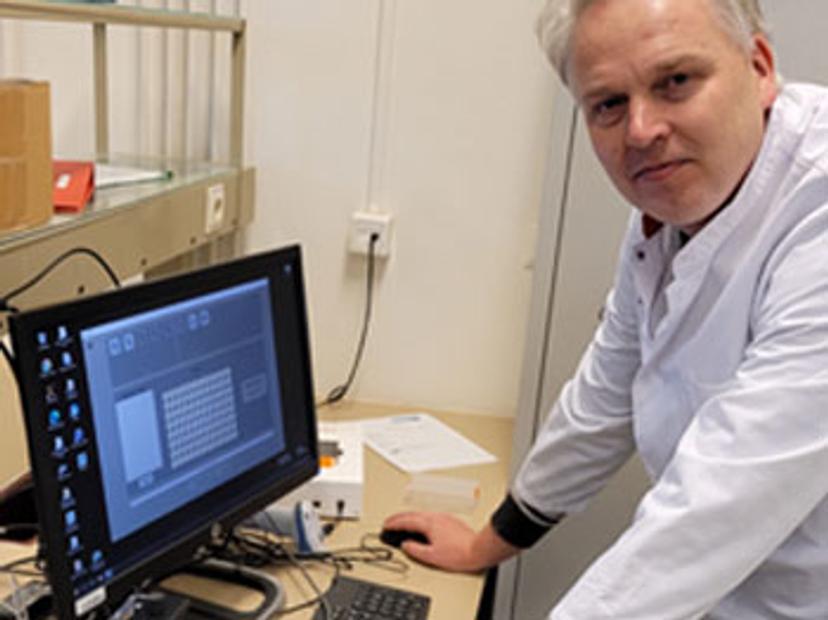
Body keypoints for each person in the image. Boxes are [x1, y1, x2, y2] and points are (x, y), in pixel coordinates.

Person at [383, 0, 828, 616]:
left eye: (676, 81)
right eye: (608, 104)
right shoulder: (674, 206)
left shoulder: (814, 209)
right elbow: (605, 392)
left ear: (759, 68)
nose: (641, 131)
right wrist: (488, 543)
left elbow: (718, 503)